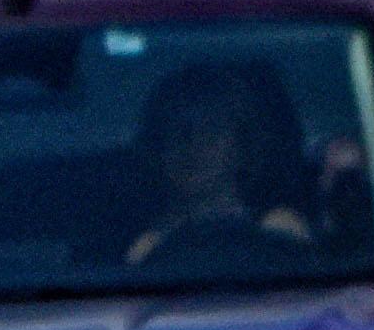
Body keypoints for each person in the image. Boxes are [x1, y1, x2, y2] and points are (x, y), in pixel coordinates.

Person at [120, 56, 349, 281]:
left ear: (242, 143)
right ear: (157, 145)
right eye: (178, 131)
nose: (192, 144)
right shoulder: (144, 247)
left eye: (211, 130)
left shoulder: (280, 230)